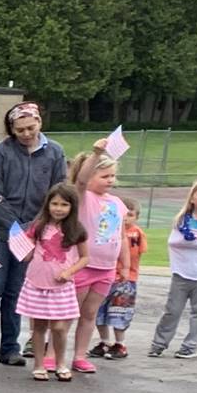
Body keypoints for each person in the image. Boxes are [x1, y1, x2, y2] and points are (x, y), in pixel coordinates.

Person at [0, 100, 68, 366]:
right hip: (1, 231)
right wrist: (16, 228)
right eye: (20, 130)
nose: (26, 134)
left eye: (30, 128)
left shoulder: (55, 152)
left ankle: (10, 348)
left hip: (35, 235)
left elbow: (59, 192)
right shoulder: (2, 152)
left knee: (15, 292)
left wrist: (35, 228)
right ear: (12, 130)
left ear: (39, 123)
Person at [66, 142, 128, 375]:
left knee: (90, 313)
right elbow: (80, 181)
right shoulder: (83, 197)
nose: (110, 180)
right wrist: (96, 154)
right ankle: (55, 353)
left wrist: (125, 265)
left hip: (106, 268)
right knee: (70, 311)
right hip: (83, 264)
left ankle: (80, 356)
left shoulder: (117, 203)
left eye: (113, 176)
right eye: (104, 176)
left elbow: (121, 236)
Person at [148, 176, 197, 358]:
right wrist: (193, 237)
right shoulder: (183, 220)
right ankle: (159, 343)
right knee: (172, 311)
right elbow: (175, 242)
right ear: (192, 197)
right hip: (181, 274)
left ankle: (190, 346)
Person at [16, 184, 85, 381]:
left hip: (61, 287)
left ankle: (60, 362)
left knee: (59, 327)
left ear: (72, 207)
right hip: (38, 283)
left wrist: (69, 272)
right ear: (47, 205)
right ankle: (39, 364)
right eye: (54, 203)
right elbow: (28, 254)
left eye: (64, 204)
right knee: (38, 327)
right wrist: (21, 249)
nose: (58, 208)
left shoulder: (76, 229)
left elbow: (85, 257)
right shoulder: (38, 226)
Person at [94, 206, 147, 358]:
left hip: (125, 279)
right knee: (99, 312)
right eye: (122, 215)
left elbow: (136, 254)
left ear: (136, 217)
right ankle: (104, 342)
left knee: (119, 312)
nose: (125, 218)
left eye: (130, 215)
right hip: (106, 276)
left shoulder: (135, 233)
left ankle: (120, 344)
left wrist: (127, 269)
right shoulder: (108, 229)